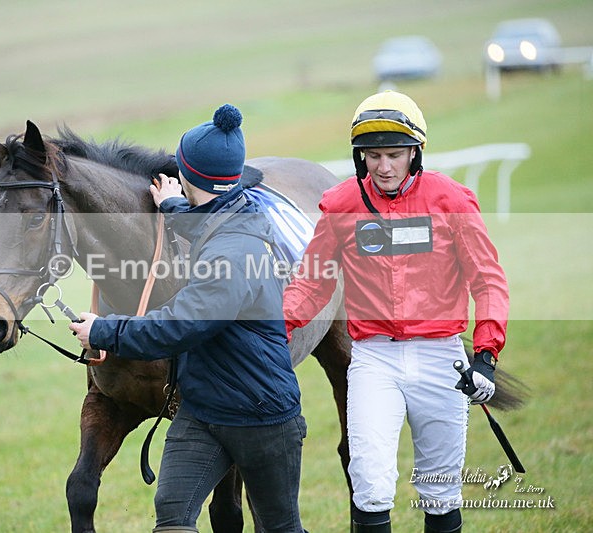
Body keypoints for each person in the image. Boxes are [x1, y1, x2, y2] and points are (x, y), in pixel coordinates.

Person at [70, 104, 308, 533]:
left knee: (280, 527)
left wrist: (101, 330)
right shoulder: (224, 217)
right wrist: (175, 208)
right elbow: (209, 225)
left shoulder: (237, 254)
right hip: (204, 411)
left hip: (262, 416)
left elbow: (178, 326)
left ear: (190, 177)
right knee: (173, 516)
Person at [283, 91, 509, 533]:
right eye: (372, 156)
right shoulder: (341, 204)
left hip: (442, 357)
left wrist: (486, 355)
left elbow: (488, 280)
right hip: (374, 359)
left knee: (440, 492)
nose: (383, 167)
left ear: (415, 153)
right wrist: (272, 330)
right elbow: (312, 282)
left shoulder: (452, 201)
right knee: (369, 485)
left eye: (393, 155)